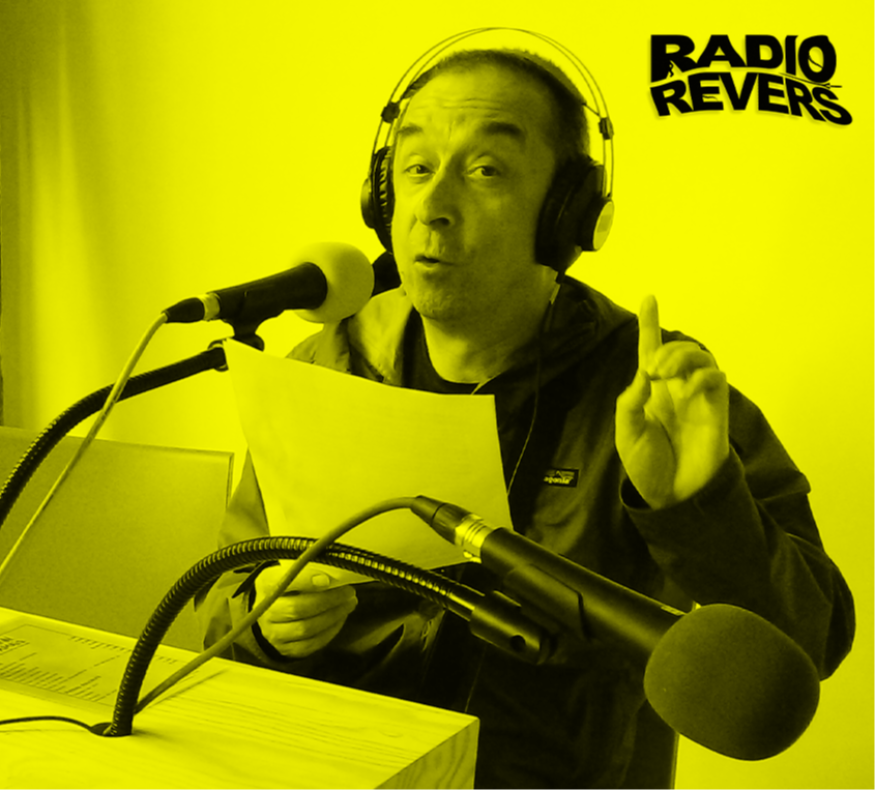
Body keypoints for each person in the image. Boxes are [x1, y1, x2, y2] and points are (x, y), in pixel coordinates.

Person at [196, 36, 855, 790]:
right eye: (415, 169)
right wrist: (268, 624)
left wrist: (699, 507)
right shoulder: (325, 368)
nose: (432, 208)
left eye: (485, 170)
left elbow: (811, 642)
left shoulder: (654, 392)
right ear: (381, 197)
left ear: (567, 214)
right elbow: (220, 608)